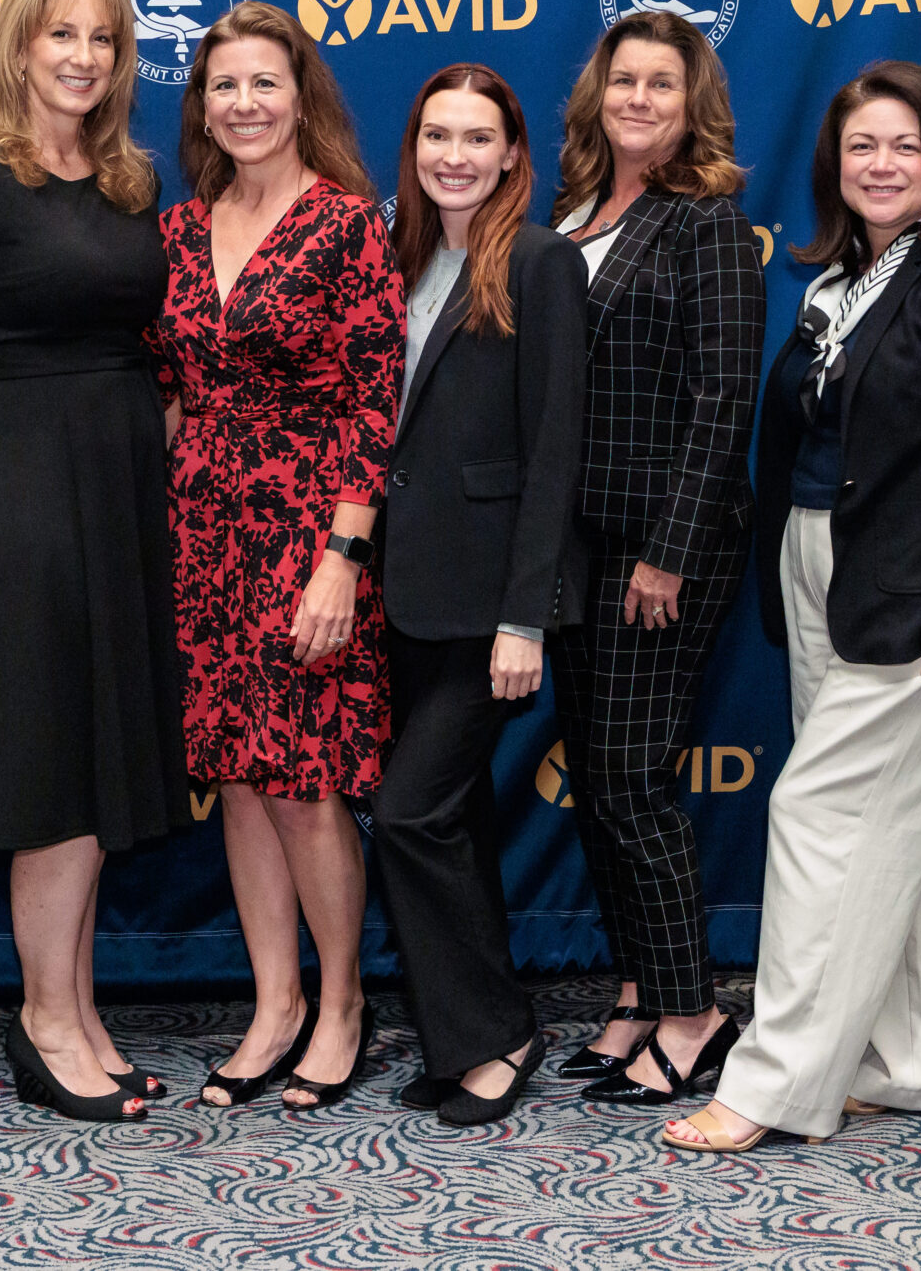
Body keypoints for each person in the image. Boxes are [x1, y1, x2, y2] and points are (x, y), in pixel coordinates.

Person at [666, 62, 921, 1154]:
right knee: (897, 830)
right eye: (860, 147)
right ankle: (916, 1063)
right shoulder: (840, 282)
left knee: (819, 817)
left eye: (904, 146)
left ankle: (777, 1084)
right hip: (819, 564)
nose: (880, 165)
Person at [0, 0, 193, 1123]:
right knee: (52, 760)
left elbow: (147, 341)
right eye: (60, 34)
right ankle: (44, 1018)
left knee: (96, 756)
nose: (82, 56)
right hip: (18, 483)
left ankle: (76, 1007)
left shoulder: (131, 180)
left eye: (103, 39)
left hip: (117, 486)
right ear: (19, 46)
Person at [153, 2, 403, 1112]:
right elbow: (169, 391)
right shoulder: (177, 229)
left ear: (301, 98)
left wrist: (343, 555)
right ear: (200, 106)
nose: (244, 103)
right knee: (242, 781)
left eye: (265, 82)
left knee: (305, 787)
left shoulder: (345, 224)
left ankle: (341, 1004)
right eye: (224, 85)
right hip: (202, 534)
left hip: (308, 532)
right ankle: (274, 1006)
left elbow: (373, 403)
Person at [547, 11, 765, 1109]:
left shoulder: (706, 220)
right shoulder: (575, 209)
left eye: (661, 84)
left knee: (633, 779)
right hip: (581, 542)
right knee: (597, 781)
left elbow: (726, 399)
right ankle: (638, 992)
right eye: (623, 79)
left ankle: (693, 1013)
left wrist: (669, 553)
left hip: (663, 549)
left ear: (693, 103)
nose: (637, 98)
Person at [371, 64, 587, 1126]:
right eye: (435, 136)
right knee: (449, 817)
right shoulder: (400, 254)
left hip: (489, 600)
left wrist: (524, 616)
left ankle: (501, 1030)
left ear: (510, 156)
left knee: (407, 812)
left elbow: (555, 450)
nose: (453, 156)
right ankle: (460, 1038)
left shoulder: (541, 262)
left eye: (475, 138)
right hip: (404, 590)